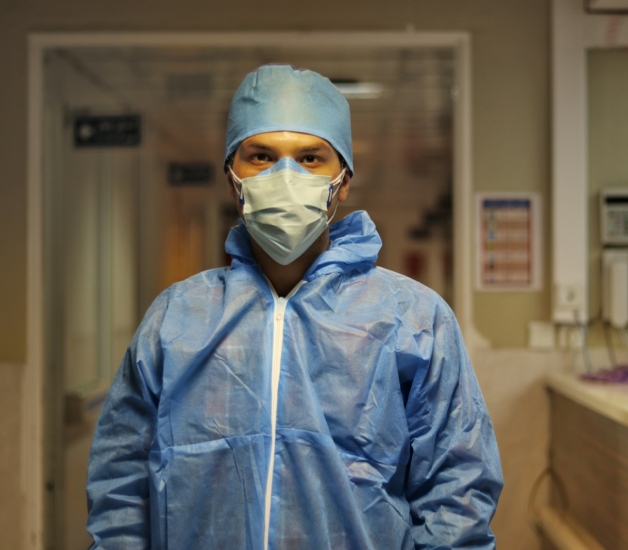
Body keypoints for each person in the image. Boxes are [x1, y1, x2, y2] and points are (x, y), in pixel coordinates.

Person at [86, 64, 503, 550]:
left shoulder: (414, 319)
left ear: (342, 182)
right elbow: (120, 487)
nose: (285, 176)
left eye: (310, 158)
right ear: (232, 178)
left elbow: (457, 493)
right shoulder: (177, 318)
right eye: (261, 156)